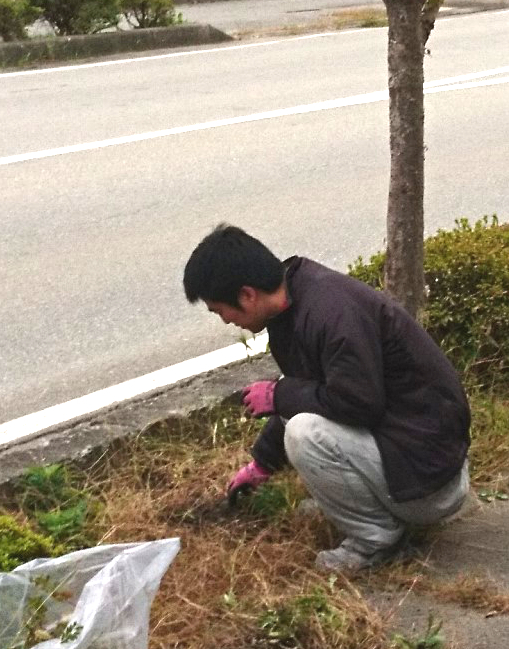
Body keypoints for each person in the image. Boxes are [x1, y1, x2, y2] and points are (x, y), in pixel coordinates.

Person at [183, 225, 472, 574]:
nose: (226, 321)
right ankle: (363, 507)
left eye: (219, 311)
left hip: (430, 485)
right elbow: (309, 391)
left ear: (247, 295)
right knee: (301, 412)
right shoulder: (296, 303)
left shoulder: (332, 312)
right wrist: (262, 464)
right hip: (415, 458)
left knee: (305, 432)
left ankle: (376, 541)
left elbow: (357, 403)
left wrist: (278, 394)